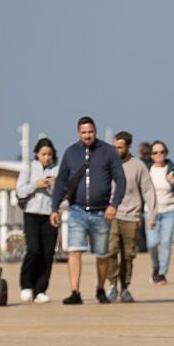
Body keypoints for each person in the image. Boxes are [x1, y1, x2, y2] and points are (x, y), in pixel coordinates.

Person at [50, 116, 126, 305]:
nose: (87, 135)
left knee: (102, 253)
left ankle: (100, 288)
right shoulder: (71, 153)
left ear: (95, 132)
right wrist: (54, 208)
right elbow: (60, 182)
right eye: (83, 132)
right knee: (74, 250)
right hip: (77, 210)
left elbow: (121, 179)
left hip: (102, 212)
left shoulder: (108, 152)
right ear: (78, 133)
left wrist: (113, 205)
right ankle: (75, 291)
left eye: (90, 132)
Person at [106, 131, 157, 303]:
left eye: (120, 147)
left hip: (132, 216)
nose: (116, 150)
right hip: (112, 215)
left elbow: (148, 190)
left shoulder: (138, 165)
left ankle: (125, 287)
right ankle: (112, 285)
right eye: (114, 147)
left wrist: (152, 215)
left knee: (128, 255)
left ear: (128, 146)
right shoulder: (108, 163)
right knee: (111, 251)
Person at [15, 138, 59, 303]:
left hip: (50, 215)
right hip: (32, 214)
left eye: (49, 154)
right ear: (37, 154)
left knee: (48, 253)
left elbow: (63, 194)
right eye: (43, 154)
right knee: (34, 250)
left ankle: (41, 289)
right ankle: (26, 285)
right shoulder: (28, 169)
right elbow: (19, 191)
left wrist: (53, 185)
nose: (47, 157)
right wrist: (36, 184)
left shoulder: (57, 169)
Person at [146, 140, 174, 285]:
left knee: (166, 242)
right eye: (155, 152)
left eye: (161, 152)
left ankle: (161, 273)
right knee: (152, 243)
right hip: (151, 212)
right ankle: (155, 266)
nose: (158, 155)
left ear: (166, 153)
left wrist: (173, 183)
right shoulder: (147, 170)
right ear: (151, 155)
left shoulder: (173, 169)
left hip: (169, 210)